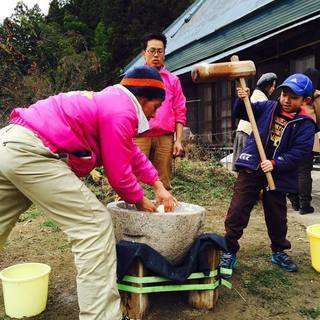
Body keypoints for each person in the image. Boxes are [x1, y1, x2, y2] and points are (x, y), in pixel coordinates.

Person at [0, 66, 177, 320]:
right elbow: (119, 174)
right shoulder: (123, 110)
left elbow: (130, 153)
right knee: (94, 225)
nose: (154, 114)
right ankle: (102, 316)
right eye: (156, 106)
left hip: (8, 142)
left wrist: (158, 185)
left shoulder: (110, 100)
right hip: (31, 152)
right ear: (142, 98)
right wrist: (140, 201)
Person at [219, 74, 316, 274]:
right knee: (238, 208)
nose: (286, 100)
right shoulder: (268, 107)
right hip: (253, 165)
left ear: (305, 100)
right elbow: (243, 113)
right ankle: (229, 249)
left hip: (277, 173)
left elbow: (299, 153)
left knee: (277, 214)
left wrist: (275, 163)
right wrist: (242, 98)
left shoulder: (305, 124)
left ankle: (279, 250)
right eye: (284, 94)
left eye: (293, 97)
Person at [134, 33, 187, 190]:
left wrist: (178, 140)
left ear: (164, 53)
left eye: (160, 51)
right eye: (152, 51)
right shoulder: (135, 77)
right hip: (139, 135)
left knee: (163, 181)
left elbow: (180, 111)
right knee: (133, 177)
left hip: (165, 138)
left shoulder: (173, 80)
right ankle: (124, 211)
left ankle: (164, 210)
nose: (156, 55)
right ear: (144, 53)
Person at [287, 68, 320, 214]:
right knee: (304, 171)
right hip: (307, 136)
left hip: (290, 135)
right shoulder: (315, 97)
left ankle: (294, 201)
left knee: (291, 169)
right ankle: (304, 205)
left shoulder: (294, 95)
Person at [232, 73, 277, 171]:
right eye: (273, 86)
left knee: (243, 166)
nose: (273, 89)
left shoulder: (256, 95)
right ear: (267, 86)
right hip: (248, 135)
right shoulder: (261, 99)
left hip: (242, 132)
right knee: (247, 167)